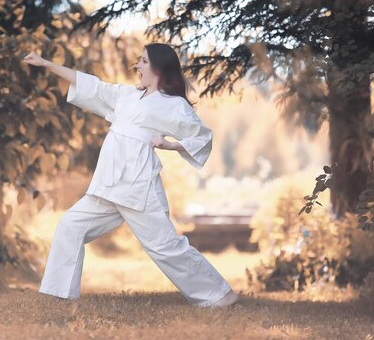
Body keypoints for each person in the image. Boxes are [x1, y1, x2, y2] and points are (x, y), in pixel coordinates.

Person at [21, 43, 239, 308]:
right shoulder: (127, 96)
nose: (137, 66)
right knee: (71, 225)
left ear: (158, 67)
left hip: (139, 188)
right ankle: (59, 294)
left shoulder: (173, 105)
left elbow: (201, 137)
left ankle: (220, 295)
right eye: (139, 61)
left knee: (165, 246)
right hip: (109, 184)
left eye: (144, 62)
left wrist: (170, 145)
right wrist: (47, 63)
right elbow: (92, 86)